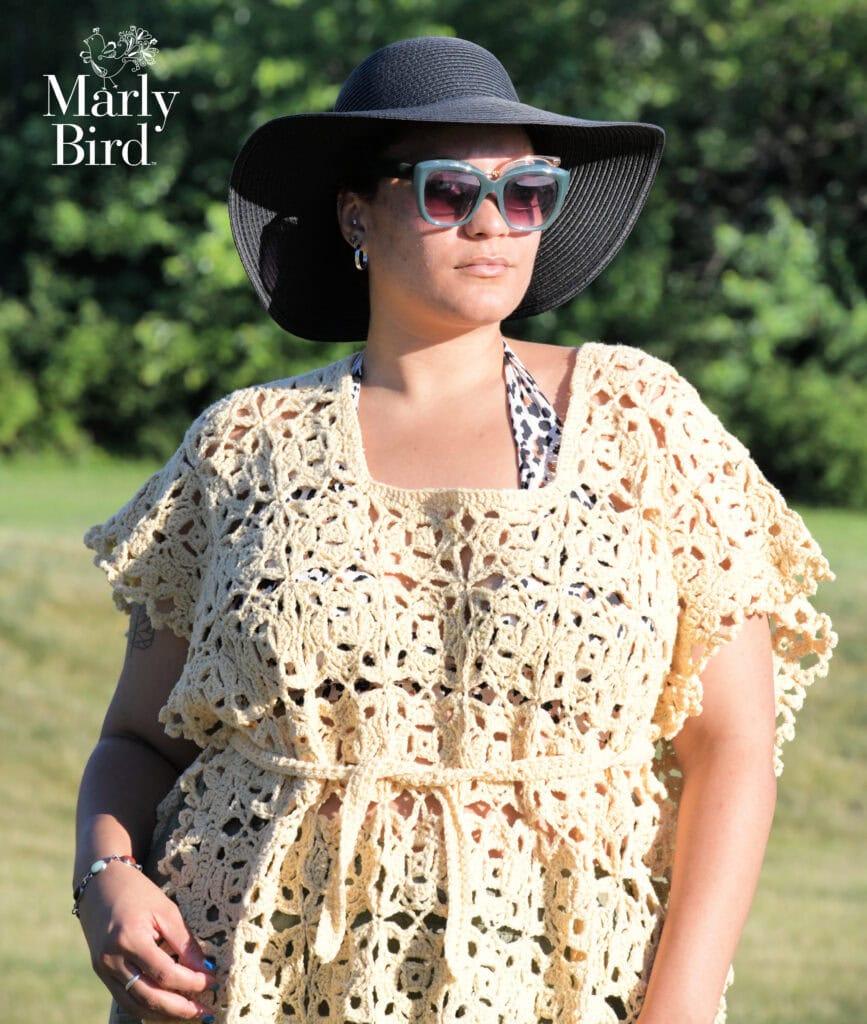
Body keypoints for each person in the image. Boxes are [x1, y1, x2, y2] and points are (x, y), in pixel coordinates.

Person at [73, 35, 835, 1024]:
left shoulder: (644, 424)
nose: (493, 221)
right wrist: (107, 881)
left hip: (564, 983)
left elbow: (732, 744)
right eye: (446, 191)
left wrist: (679, 1007)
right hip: (250, 982)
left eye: (525, 191)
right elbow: (136, 737)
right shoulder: (241, 448)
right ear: (359, 216)